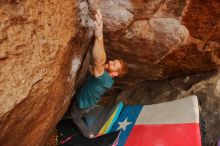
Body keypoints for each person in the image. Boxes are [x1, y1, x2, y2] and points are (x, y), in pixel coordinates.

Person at [70, 9, 127, 138]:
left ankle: (90, 135)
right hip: (89, 103)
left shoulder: (106, 79)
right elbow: (95, 69)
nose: (111, 62)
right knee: (87, 109)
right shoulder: (106, 79)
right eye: (113, 61)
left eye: (114, 65)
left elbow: (99, 62)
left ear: (115, 74)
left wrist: (99, 36)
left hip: (81, 104)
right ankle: (88, 112)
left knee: (76, 117)